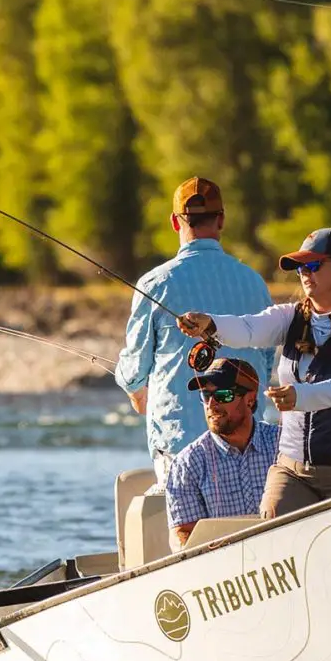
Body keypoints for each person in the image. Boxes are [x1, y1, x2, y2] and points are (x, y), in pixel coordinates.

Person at [176, 225, 331, 518]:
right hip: (295, 468)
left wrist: (299, 396)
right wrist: (211, 324)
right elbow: (249, 327)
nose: (304, 273)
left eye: (313, 265)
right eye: (299, 268)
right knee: (273, 523)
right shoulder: (292, 316)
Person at [113, 176, 272, 478]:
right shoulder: (254, 282)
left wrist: (135, 392)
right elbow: (264, 362)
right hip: (246, 439)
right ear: (221, 220)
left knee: (186, 525)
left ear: (175, 222)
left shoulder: (155, 284)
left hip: (179, 444)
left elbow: (135, 367)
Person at [163, 358, 280, 549]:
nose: (211, 404)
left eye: (224, 395)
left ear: (250, 399)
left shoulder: (284, 444)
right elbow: (184, 539)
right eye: (205, 395)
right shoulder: (186, 464)